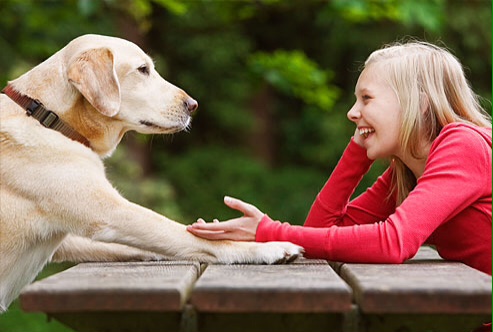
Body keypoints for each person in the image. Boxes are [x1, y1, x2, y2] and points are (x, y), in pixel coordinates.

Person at [187, 41, 492, 277]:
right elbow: (322, 231)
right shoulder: (408, 171)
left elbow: (393, 242)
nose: (352, 112)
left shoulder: (463, 145)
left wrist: (267, 231)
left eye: (367, 99)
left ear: (419, 104)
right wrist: (358, 151)